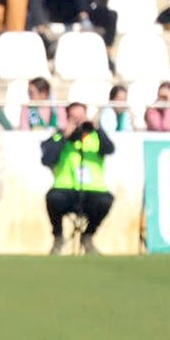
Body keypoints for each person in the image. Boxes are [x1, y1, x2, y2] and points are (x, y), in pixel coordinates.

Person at [41, 101, 114, 255]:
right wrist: (64, 135)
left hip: (92, 191)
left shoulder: (96, 137)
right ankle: (58, 237)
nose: (79, 123)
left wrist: (97, 128)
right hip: (66, 190)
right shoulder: (59, 137)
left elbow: (110, 148)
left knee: (106, 200)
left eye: (81, 118)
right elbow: (46, 158)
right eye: (74, 119)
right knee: (53, 198)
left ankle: (88, 236)